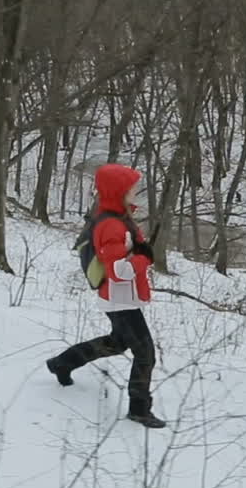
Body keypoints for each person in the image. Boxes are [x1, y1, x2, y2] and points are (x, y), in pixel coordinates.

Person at [46, 163, 165, 429]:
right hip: (119, 297)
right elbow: (119, 271)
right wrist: (144, 259)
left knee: (117, 343)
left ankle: (62, 363)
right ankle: (139, 409)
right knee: (145, 353)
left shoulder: (119, 218)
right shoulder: (112, 225)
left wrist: (139, 249)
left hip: (121, 297)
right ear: (118, 192)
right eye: (131, 188)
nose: (136, 192)